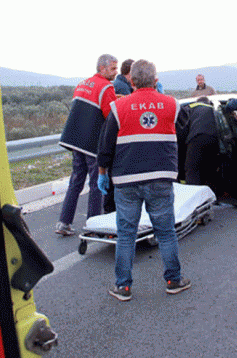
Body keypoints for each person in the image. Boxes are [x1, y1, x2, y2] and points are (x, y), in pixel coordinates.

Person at [97, 59, 190, 301]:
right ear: (156, 80)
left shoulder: (118, 107)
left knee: (126, 234)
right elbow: (182, 128)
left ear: (131, 80)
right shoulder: (172, 105)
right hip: (160, 178)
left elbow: (105, 146)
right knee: (166, 232)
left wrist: (102, 174)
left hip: (126, 180)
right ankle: (174, 280)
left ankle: (123, 287)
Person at [55, 54, 118, 236]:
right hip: (92, 143)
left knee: (75, 181)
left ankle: (63, 222)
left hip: (75, 141)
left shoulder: (83, 83)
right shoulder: (106, 87)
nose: (115, 72)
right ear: (102, 68)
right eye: (113, 68)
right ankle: (93, 225)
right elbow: (110, 116)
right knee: (96, 184)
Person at [176, 96, 218, 189]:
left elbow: (183, 131)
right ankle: (212, 197)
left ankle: (192, 194)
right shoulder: (213, 110)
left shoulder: (191, 109)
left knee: (192, 169)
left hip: (196, 139)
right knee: (210, 170)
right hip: (214, 140)